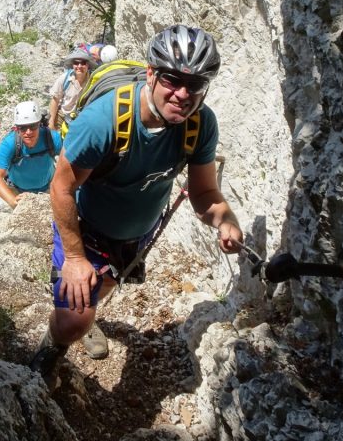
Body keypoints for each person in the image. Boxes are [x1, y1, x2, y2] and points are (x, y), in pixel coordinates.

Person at [31, 24, 243, 373]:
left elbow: (204, 192)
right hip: (86, 227)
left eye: (194, 84)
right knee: (73, 319)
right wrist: (73, 257)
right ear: (150, 75)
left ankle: (88, 312)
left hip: (136, 234)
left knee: (98, 292)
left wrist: (225, 220)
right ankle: (49, 352)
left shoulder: (200, 125)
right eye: (171, 80)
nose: (182, 94)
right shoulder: (105, 120)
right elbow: (61, 187)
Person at [0, 101, 63, 209]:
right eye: (22, 128)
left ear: (39, 124)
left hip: (49, 187)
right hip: (18, 191)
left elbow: (69, 162)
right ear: (17, 128)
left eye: (32, 126)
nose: (28, 132)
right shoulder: (10, 144)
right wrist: (13, 200)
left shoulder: (52, 138)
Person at [47, 47, 97, 131]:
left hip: (83, 118)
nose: (79, 66)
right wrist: (51, 122)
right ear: (72, 65)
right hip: (63, 116)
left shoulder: (93, 80)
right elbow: (55, 100)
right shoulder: (64, 79)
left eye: (83, 63)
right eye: (76, 63)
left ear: (88, 65)